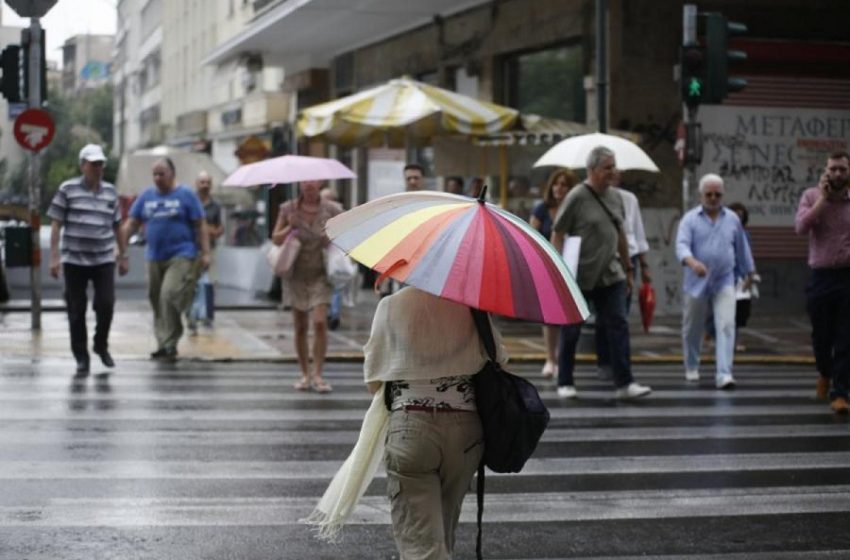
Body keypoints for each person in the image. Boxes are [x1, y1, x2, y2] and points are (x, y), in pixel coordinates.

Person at [304, 286, 507, 557]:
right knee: (442, 533)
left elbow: (374, 383)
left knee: (422, 545)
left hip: (412, 430)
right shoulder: (472, 308)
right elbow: (500, 362)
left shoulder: (391, 306)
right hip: (466, 434)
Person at [550, 146, 651, 400]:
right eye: (608, 167)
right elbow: (558, 232)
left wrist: (628, 268)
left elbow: (620, 236)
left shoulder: (616, 197)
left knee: (618, 324)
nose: (613, 172)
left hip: (611, 274)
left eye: (613, 166)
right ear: (593, 170)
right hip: (580, 276)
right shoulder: (576, 197)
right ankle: (565, 381)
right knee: (572, 329)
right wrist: (558, 269)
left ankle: (625, 383)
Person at [119, 157, 210, 362]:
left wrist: (206, 253)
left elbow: (201, 225)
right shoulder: (146, 196)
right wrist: (121, 250)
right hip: (154, 256)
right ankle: (163, 344)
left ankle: (169, 343)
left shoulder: (186, 195)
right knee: (156, 298)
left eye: (162, 174)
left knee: (168, 295)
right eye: (155, 174)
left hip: (182, 255)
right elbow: (130, 224)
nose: (158, 178)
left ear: (172, 174)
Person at [47, 144, 127, 375]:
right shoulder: (67, 189)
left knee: (106, 303)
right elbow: (56, 224)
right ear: (83, 165)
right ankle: (81, 356)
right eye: (93, 164)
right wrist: (54, 258)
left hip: (103, 258)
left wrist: (123, 255)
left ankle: (100, 345)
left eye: (100, 164)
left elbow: (117, 226)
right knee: (76, 309)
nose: (98, 168)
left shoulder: (111, 192)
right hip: (74, 259)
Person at [675, 173, 753, 390]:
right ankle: (691, 365)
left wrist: (749, 272)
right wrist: (692, 262)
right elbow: (681, 245)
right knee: (692, 327)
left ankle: (724, 374)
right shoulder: (690, 219)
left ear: (723, 195)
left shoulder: (732, 219)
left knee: (727, 324)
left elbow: (741, 247)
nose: (713, 198)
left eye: (717, 194)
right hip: (695, 281)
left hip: (724, 279)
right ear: (701, 195)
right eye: (708, 194)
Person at [271, 180, 342, 393]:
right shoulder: (288, 208)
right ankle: (304, 374)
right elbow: (275, 239)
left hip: (321, 272)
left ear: (319, 184)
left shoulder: (332, 209)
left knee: (320, 322)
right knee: (300, 325)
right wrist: (288, 228)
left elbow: (346, 236)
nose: (309, 187)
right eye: (305, 184)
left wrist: (330, 237)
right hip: (296, 273)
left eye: (312, 183)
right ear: (300, 185)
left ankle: (318, 374)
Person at [794, 150, 850, 413]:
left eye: (843, 169)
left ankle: (840, 392)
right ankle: (824, 373)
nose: (838, 173)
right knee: (821, 336)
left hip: (847, 277)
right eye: (834, 169)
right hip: (821, 277)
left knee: (845, 337)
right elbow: (801, 228)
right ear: (826, 171)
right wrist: (823, 201)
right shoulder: (811, 196)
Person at [595, 170, 651, 380]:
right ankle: (605, 360)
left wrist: (645, 267)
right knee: (603, 315)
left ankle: (621, 364)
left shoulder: (629, 199)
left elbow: (638, 233)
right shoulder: (593, 197)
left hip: (629, 259)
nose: (612, 176)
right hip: (606, 258)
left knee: (621, 316)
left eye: (616, 172)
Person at [529, 168, 576, 379]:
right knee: (549, 316)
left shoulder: (576, 208)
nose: (559, 188)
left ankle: (563, 359)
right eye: (556, 184)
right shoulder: (541, 209)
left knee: (569, 316)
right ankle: (551, 358)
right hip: (547, 268)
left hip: (572, 267)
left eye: (564, 184)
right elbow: (532, 237)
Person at [186, 171, 223, 334]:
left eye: (208, 182)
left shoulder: (215, 206)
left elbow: (220, 228)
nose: (205, 186)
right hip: (192, 249)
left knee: (209, 284)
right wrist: (206, 229)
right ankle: (191, 317)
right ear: (196, 184)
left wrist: (213, 231)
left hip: (211, 249)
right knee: (191, 283)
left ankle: (208, 316)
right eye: (202, 182)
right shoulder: (190, 202)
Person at [321, 185, 343, 330]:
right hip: (322, 255)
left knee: (336, 285)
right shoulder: (317, 212)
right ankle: (329, 312)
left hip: (335, 255)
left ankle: (333, 314)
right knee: (329, 286)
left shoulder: (338, 213)